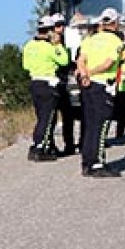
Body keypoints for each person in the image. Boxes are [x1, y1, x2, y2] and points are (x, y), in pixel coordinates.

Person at [75, 8, 125, 178]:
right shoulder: (116, 41)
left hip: (88, 86)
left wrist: (84, 75)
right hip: (102, 85)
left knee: (90, 124)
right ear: (116, 23)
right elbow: (108, 63)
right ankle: (98, 163)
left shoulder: (90, 39)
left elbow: (80, 60)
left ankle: (87, 162)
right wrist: (91, 73)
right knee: (102, 125)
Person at [23, 15, 68, 162]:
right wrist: (58, 45)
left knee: (41, 117)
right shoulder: (49, 47)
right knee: (47, 118)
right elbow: (64, 60)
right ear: (49, 31)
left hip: (35, 83)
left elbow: (25, 65)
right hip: (48, 84)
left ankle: (40, 145)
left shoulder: (29, 46)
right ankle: (40, 147)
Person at [51, 14, 80, 157]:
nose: (61, 28)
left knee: (68, 115)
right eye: (57, 25)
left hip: (63, 82)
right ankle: (50, 145)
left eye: (62, 24)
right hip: (53, 82)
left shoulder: (65, 40)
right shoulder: (50, 42)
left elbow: (67, 60)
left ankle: (69, 144)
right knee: (52, 117)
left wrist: (74, 66)